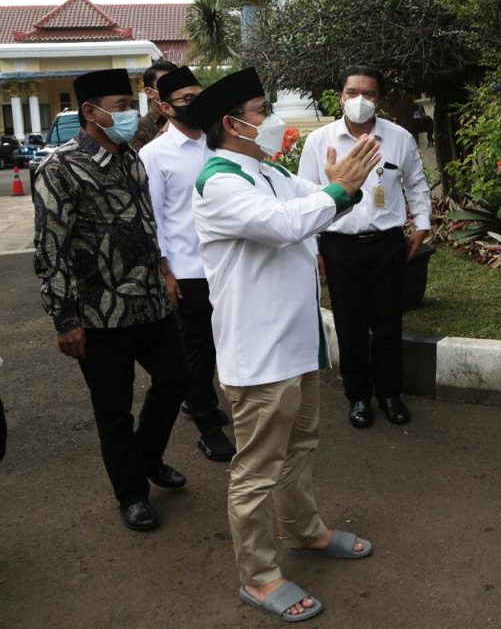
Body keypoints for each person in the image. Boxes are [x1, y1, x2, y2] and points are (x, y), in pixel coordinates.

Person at [187, 67, 380, 622]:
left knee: (300, 449)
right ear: (230, 123)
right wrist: (340, 188)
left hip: (296, 343)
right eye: (260, 111)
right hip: (260, 353)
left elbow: (317, 201)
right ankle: (260, 574)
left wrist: (343, 186)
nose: (270, 120)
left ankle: (306, 532)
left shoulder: (267, 171)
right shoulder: (220, 181)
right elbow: (283, 225)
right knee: (257, 469)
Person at [33, 68, 190, 532]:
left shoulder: (132, 160)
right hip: (98, 313)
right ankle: (133, 494)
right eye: (119, 106)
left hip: (149, 303)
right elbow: (50, 249)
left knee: (176, 380)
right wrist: (65, 320)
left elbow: (146, 224)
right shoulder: (59, 169)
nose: (129, 114)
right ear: (90, 112)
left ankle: (147, 457)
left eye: (128, 104)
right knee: (113, 408)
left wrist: (164, 272)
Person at [298, 66, 431, 429]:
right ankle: (358, 396)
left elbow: (416, 183)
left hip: (386, 244)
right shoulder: (320, 141)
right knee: (349, 323)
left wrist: (422, 224)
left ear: (379, 99)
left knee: (388, 321)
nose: (360, 100)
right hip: (339, 245)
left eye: (369, 93)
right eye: (352, 91)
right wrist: (315, 250)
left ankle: (389, 393)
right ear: (340, 96)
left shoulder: (398, 137)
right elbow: (306, 198)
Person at [139, 65, 235, 462]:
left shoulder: (218, 145)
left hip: (226, 265)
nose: (198, 105)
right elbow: (153, 219)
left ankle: (208, 403)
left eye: (200, 96)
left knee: (223, 343)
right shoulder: (154, 154)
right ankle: (206, 425)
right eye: (187, 100)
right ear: (164, 106)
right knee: (196, 351)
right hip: (187, 269)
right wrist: (165, 273)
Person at [131, 59, 177, 151]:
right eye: (166, 84)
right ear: (149, 92)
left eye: (176, 84)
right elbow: (140, 162)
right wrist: (165, 131)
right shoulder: (137, 129)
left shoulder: (189, 118)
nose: (173, 89)